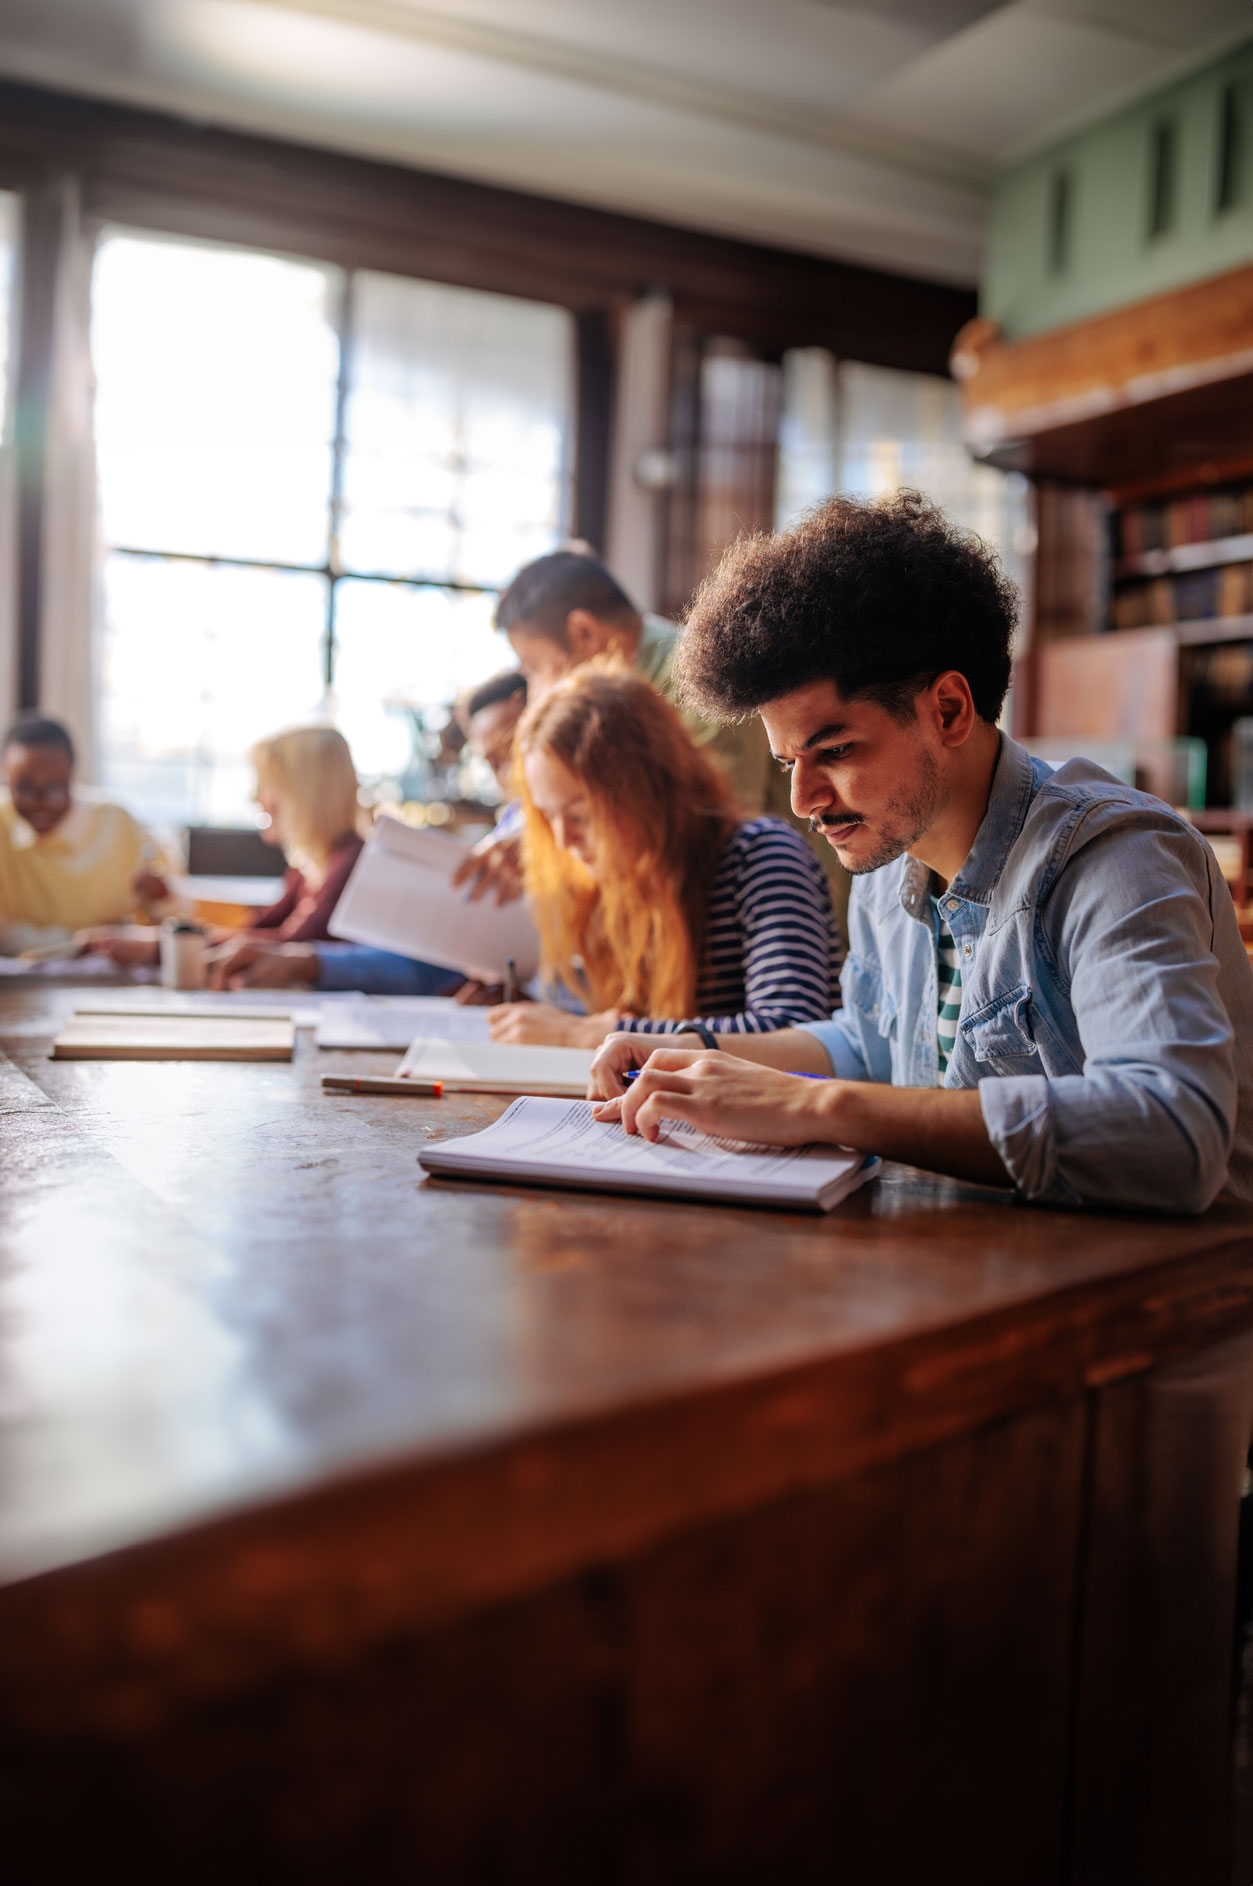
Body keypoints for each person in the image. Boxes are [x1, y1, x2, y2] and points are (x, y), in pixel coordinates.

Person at [589, 490, 1253, 1215]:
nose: (803, 800)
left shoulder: (1116, 859)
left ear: (947, 710)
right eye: (787, 764)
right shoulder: (888, 860)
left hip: (1175, 1293)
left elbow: (1170, 1137)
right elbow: (868, 1042)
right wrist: (700, 1054)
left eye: (834, 751)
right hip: (983, 1261)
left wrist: (817, 1109)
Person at [483, 664, 842, 1049]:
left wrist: (598, 1035)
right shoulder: (606, 881)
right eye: (548, 816)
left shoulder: (761, 856)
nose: (563, 839)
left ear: (647, 791)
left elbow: (793, 1032)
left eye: (581, 815)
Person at [454, 547, 810, 910]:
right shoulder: (629, 697)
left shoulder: (700, 678)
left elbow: (708, 833)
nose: (535, 691)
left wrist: (545, 847)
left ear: (584, 632)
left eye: (537, 667)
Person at [86, 726, 366, 972]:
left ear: (303, 794)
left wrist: (162, 948)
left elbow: (288, 945)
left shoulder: (351, 864)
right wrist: (167, 932)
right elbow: (257, 928)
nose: (254, 796)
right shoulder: (308, 867)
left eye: (266, 785)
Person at [0, 714, 170, 955]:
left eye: (53, 787)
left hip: (113, 978)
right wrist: (78, 943)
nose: (39, 803)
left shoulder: (119, 823)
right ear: (6, 778)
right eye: (24, 788)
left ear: (72, 775)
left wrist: (161, 898)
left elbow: (175, 913)